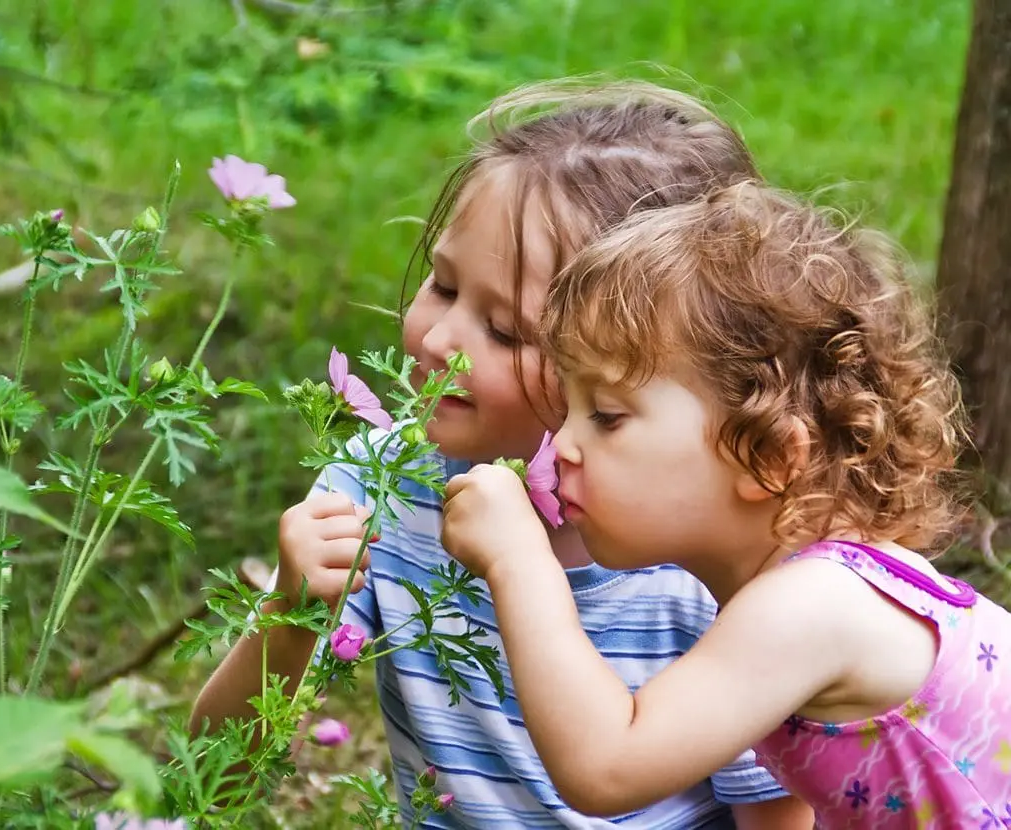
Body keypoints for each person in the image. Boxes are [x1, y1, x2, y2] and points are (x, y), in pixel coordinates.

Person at [192, 80, 813, 828]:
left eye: (508, 332)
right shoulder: (382, 490)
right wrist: (290, 617)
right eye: (442, 284)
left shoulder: (707, 562)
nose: (441, 339)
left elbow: (775, 817)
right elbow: (210, 781)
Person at [441, 180, 1009, 828]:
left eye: (606, 415)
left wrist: (519, 563)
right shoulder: (816, 586)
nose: (561, 445)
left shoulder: (814, 604)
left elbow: (606, 767)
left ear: (765, 458)